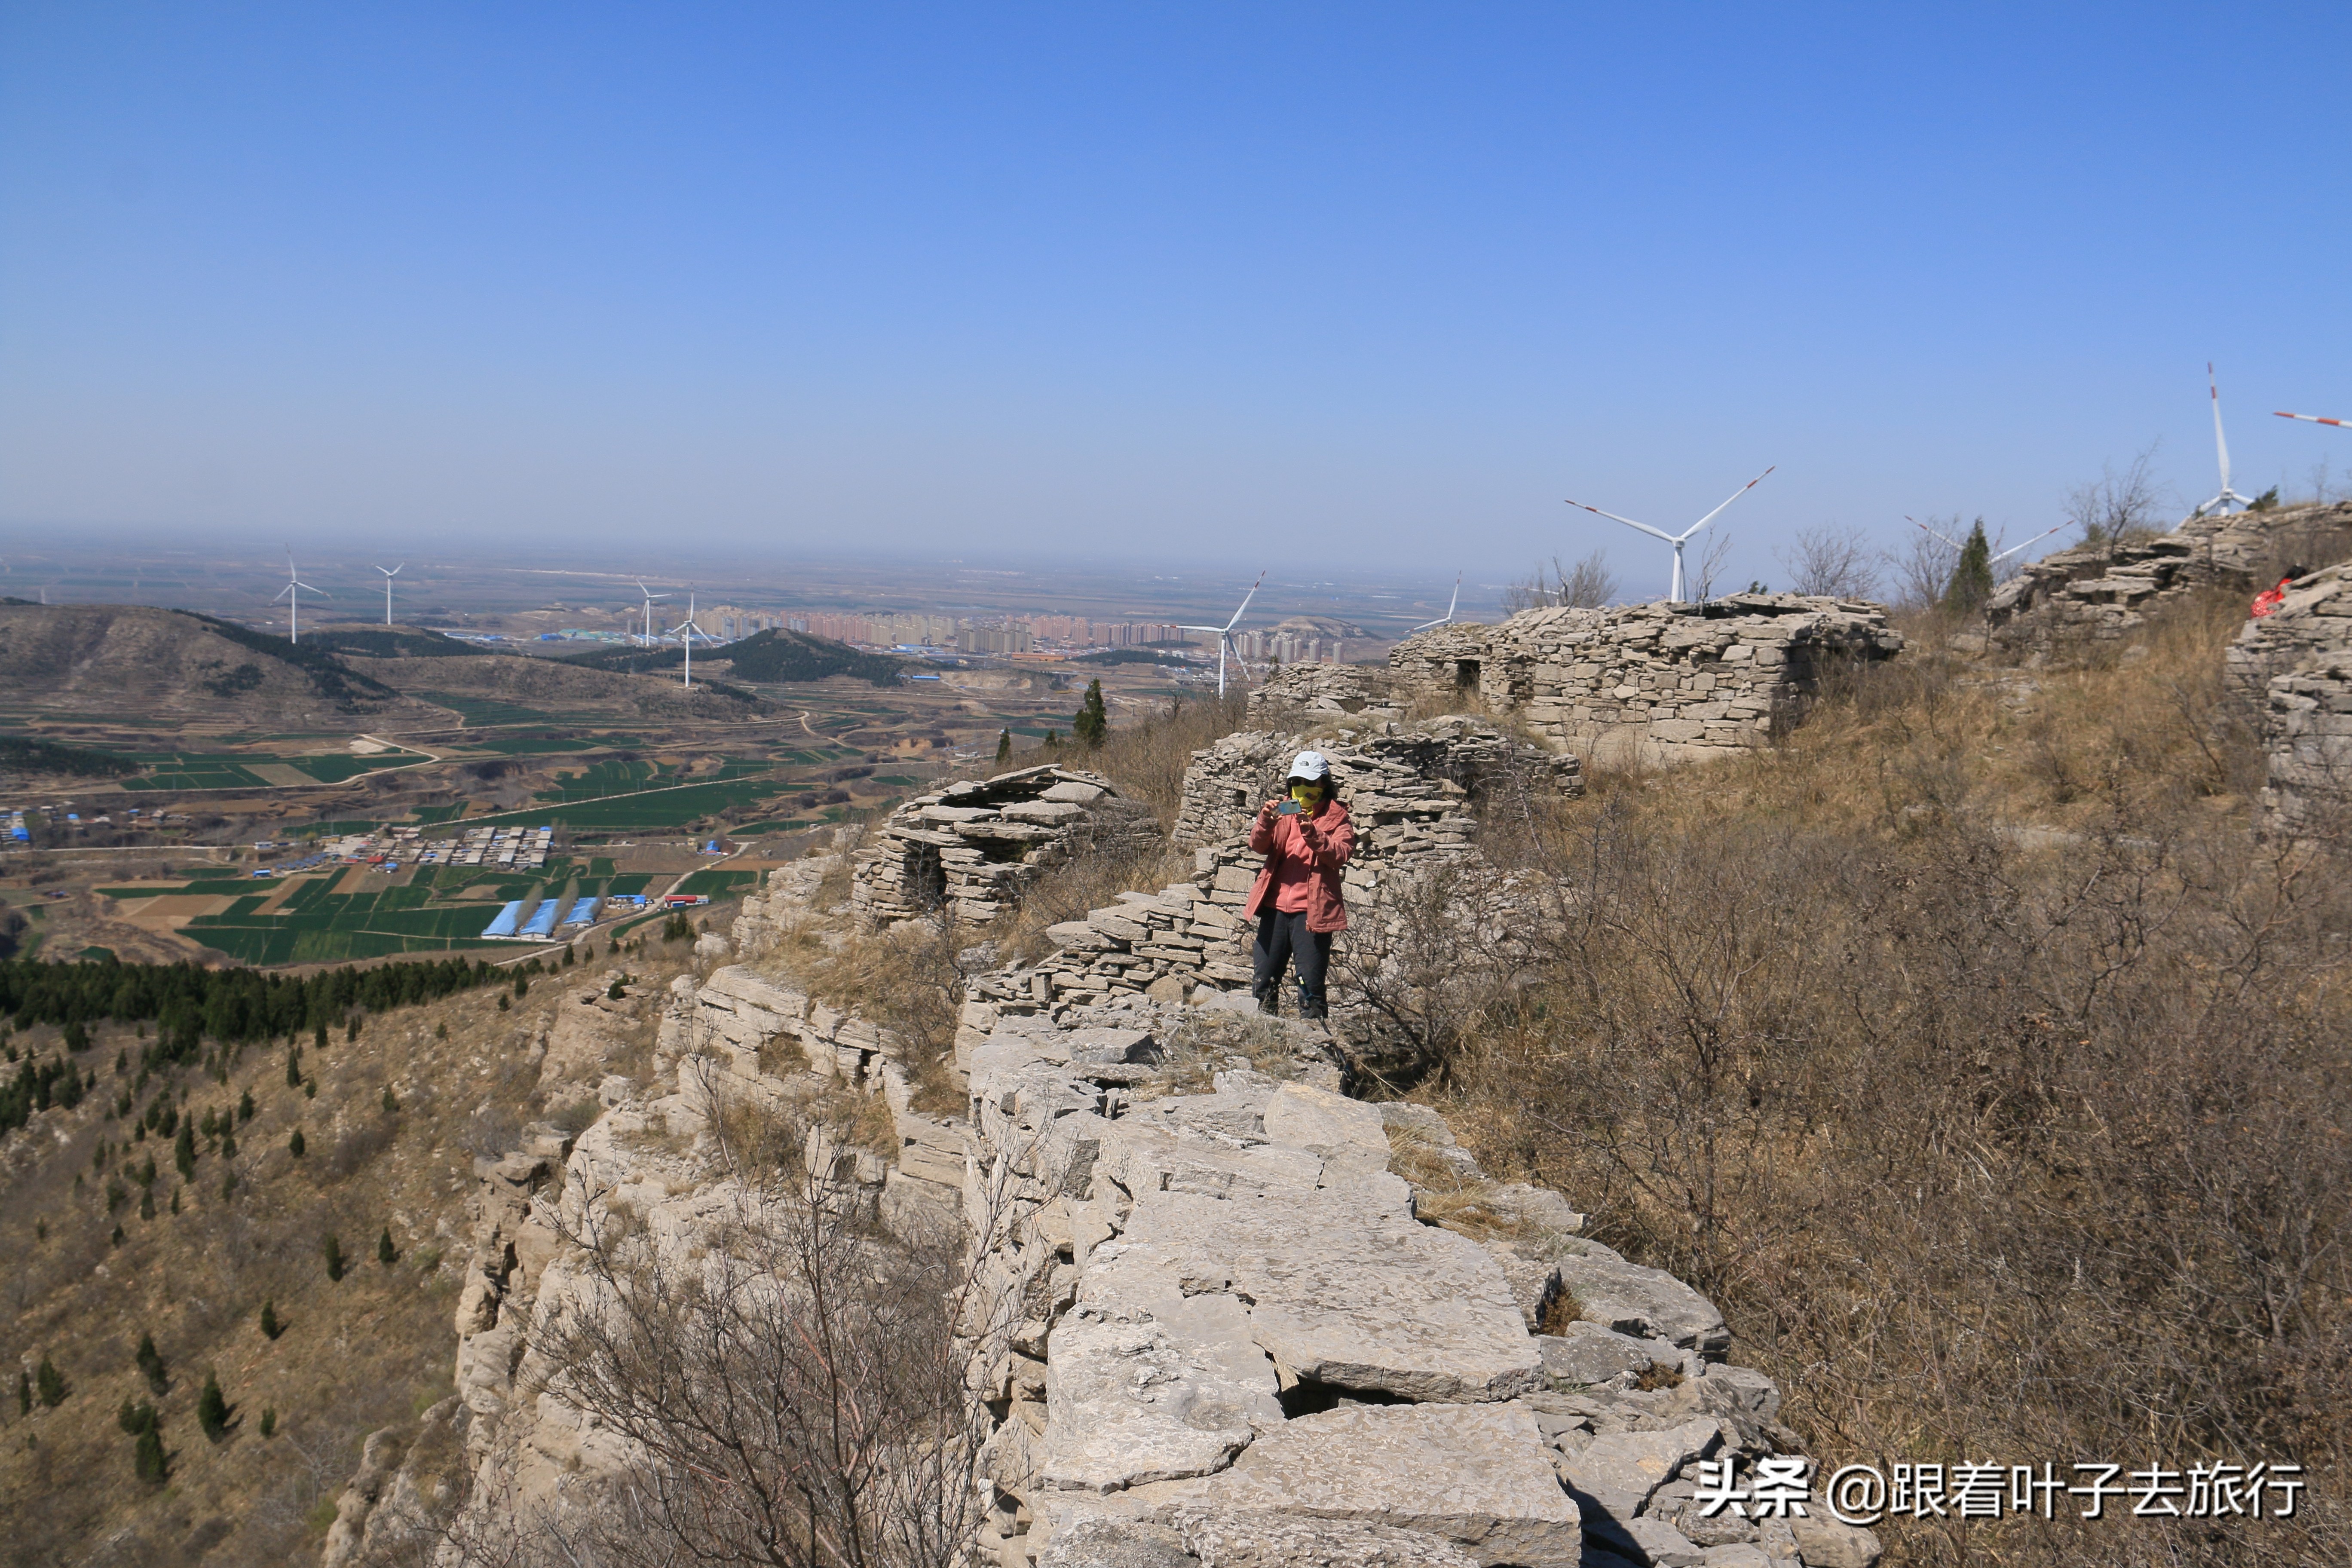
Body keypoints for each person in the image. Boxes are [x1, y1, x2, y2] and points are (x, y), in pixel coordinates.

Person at [1244, 750, 1355, 1020]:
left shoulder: (1337, 817)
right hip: (1275, 909)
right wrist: (1265, 822)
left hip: (1311, 914)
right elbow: (1258, 846)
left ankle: (1315, 1048)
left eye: (1309, 783)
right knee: (1265, 980)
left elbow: (1340, 854)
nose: (1301, 789)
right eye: (1296, 783)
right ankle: (1265, 1042)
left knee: (1309, 988)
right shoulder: (1285, 810)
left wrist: (1312, 833)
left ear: (1323, 784)